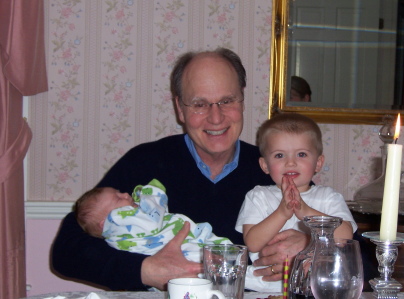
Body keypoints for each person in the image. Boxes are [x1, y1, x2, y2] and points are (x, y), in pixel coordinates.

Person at [52, 48, 308, 291]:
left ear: (241, 101)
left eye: (226, 101)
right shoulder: (144, 162)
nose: (216, 118)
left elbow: (341, 231)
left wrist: (308, 245)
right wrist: (146, 270)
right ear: (180, 109)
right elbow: (67, 251)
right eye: (199, 104)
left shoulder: (274, 167)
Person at [235, 113, 357, 292]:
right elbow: (252, 243)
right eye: (279, 155)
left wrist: (305, 211)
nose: (290, 162)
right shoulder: (258, 196)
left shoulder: (329, 197)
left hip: (315, 286)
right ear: (264, 165)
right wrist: (282, 213)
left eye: (301, 154)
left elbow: (344, 237)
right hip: (264, 286)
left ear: (318, 163)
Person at [74, 179, 230, 263]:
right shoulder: (118, 221)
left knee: (227, 256)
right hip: (184, 256)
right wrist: (151, 194)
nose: (126, 194)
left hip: (190, 247)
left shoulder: (123, 230)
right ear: (106, 223)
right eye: (118, 198)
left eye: (120, 193)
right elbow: (153, 221)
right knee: (219, 260)